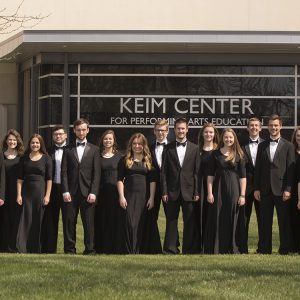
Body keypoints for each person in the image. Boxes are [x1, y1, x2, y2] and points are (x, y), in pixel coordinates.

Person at [254, 114, 295, 255]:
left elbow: (291, 170)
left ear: (281, 126)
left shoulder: (289, 146)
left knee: (283, 222)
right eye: (271, 125)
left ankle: (284, 249)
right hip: (265, 190)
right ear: (267, 127)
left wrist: (288, 189)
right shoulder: (261, 145)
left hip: (282, 190)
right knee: (265, 222)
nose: (273, 127)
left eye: (276, 125)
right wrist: (256, 188)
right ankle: (265, 249)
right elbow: (258, 169)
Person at [61, 118, 100, 255]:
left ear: (88, 130)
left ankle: (90, 250)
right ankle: (69, 250)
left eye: (84, 129)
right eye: (78, 130)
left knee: (89, 224)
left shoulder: (95, 150)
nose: (81, 132)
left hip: (88, 192)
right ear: (74, 131)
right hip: (70, 193)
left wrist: (94, 192)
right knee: (69, 223)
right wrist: (65, 190)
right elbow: (64, 172)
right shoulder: (67, 149)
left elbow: (97, 173)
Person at [161, 118, 200, 254]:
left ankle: (189, 249)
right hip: (172, 191)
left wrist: (196, 191)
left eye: (183, 128)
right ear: (174, 130)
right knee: (171, 221)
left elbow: (196, 172)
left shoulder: (195, 148)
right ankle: (170, 249)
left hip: (189, 191)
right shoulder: (167, 148)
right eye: (178, 128)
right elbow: (164, 172)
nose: (181, 131)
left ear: (187, 129)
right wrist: (164, 191)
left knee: (189, 221)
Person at [204, 128, 246, 254]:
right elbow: (210, 175)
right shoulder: (215, 154)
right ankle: (219, 247)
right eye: (226, 137)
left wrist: (242, 195)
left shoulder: (239, 155)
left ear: (234, 139)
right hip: (219, 189)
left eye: (231, 137)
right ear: (222, 138)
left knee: (233, 216)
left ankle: (233, 246)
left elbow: (243, 177)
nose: (228, 139)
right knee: (219, 216)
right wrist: (210, 192)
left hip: (234, 190)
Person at [117, 133, 156, 254]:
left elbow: (152, 181)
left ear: (144, 145)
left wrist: (152, 198)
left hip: (144, 197)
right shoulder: (124, 160)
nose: (137, 146)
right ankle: (130, 250)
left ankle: (139, 250)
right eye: (134, 144)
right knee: (130, 223)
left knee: (141, 223)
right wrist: (121, 196)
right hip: (129, 195)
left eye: (139, 144)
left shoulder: (148, 160)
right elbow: (119, 180)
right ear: (131, 145)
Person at [16, 134, 52, 253]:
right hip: (26, 192)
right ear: (29, 144)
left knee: (38, 218)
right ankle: (23, 247)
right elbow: (20, 179)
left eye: (37, 143)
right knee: (26, 219)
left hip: (40, 192)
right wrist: (19, 195)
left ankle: (36, 248)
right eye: (33, 143)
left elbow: (49, 179)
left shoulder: (47, 158)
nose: (35, 145)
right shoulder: (24, 158)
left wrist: (47, 196)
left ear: (41, 144)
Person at [142, 119, 169, 253]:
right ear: (154, 131)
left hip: (170, 189)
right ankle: (152, 248)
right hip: (151, 188)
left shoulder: (173, 147)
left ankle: (171, 248)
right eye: (158, 130)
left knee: (171, 219)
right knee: (151, 218)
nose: (160, 133)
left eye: (163, 130)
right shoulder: (148, 149)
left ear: (167, 131)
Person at [95, 129, 123, 254]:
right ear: (102, 140)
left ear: (114, 141)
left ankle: (114, 248)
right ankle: (100, 248)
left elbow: (122, 176)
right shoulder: (97, 155)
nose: (107, 141)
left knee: (114, 220)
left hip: (114, 192)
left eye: (110, 139)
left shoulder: (120, 156)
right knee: (100, 219)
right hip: (100, 192)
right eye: (105, 139)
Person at [41, 125, 68, 253]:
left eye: (60, 134)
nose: (58, 136)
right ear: (53, 136)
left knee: (68, 220)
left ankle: (69, 250)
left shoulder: (71, 150)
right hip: (52, 189)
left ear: (66, 135)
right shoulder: (47, 151)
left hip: (68, 189)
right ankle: (49, 250)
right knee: (51, 220)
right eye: (56, 134)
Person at [239, 117, 263, 253]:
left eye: (256, 125)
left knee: (262, 219)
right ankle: (243, 248)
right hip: (245, 188)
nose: (254, 127)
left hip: (262, 188)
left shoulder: (266, 144)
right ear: (247, 128)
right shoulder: (241, 145)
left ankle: (262, 247)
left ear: (260, 128)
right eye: (251, 125)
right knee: (244, 220)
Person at [0, 129, 24, 252]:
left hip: (18, 192)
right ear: (6, 141)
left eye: (14, 140)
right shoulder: (1, 156)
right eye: (10, 139)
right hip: (4, 192)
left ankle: (14, 246)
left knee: (16, 219)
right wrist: (1, 196)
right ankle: (3, 247)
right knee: (4, 219)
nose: (12, 142)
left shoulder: (22, 157)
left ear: (17, 141)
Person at [197, 122, 219, 252]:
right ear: (202, 134)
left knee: (212, 216)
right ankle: (199, 245)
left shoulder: (218, 151)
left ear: (214, 134)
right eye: (206, 132)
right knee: (200, 215)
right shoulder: (196, 150)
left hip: (214, 187)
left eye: (211, 132)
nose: (208, 134)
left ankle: (210, 246)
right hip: (200, 187)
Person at [291, 126, 300, 253]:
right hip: (293, 190)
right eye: (298, 136)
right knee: (294, 219)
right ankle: (295, 246)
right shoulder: (290, 150)